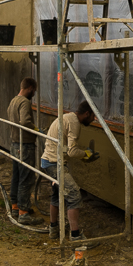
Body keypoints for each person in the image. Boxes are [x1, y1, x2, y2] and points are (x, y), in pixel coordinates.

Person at [41, 100, 99, 243]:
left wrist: (84, 154)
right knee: (74, 196)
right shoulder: (74, 123)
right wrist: (85, 154)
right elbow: (72, 151)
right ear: (86, 113)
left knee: (57, 195)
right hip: (55, 164)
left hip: (48, 161)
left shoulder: (68, 118)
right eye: (93, 116)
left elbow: (67, 149)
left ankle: (53, 229)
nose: (94, 119)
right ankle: (76, 236)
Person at [8, 77, 42, 225]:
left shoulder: (14, 100)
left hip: (15, 144)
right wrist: (36, 130)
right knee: (26, 178)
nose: (34, 93)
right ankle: (23, 212)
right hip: (25, 145)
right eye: (34, 90)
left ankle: (15, 206)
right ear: (29, 88)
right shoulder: (25, 102)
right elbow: (25, 121)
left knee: (17, 175)